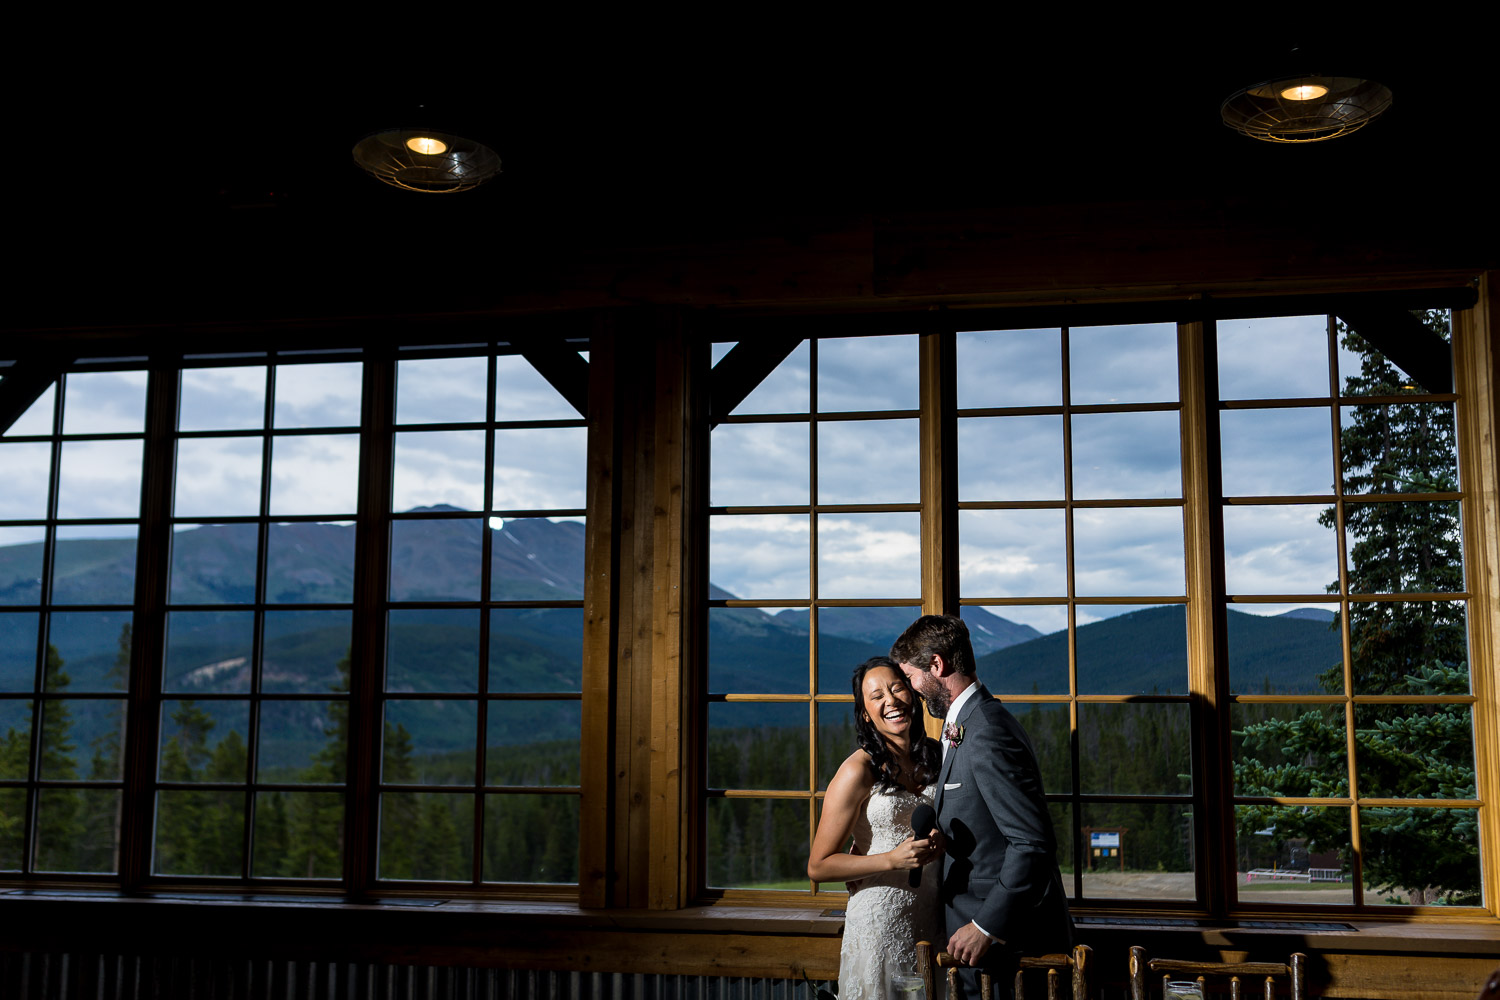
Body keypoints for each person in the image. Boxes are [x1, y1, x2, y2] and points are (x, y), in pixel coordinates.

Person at [891, 615, 1073, 999]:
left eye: (911, 678)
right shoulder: (969, 723)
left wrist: (987, 926)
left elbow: (1032, 844)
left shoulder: (987, 730)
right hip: (979, 947)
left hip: (1007, 948)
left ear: (937, 665)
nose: (912, 690)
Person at [808, 656, 945, 1000]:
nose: (891, 701)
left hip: (934, 914)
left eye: (897, 688)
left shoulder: (938, 755)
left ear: (911, 694)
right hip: (880, 921)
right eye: (877, 696)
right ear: (866, 714)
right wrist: (890, 860)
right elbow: (819, 866)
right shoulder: (858, 770)